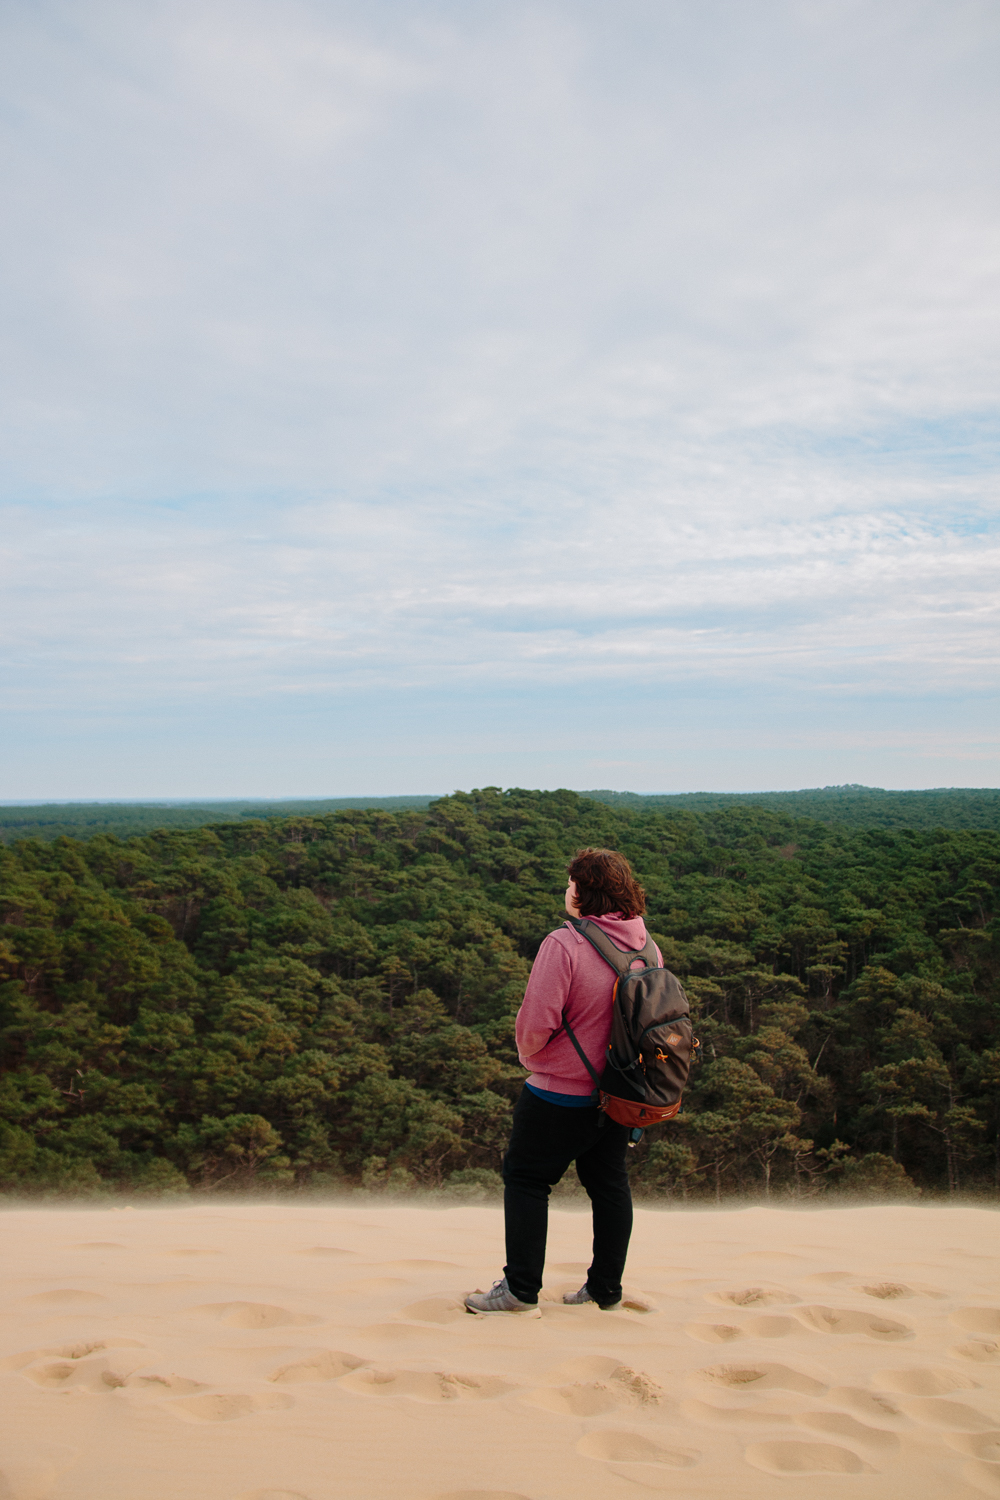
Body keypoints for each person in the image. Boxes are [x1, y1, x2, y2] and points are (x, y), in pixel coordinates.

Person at [465, 847, 660, 1317]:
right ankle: (605, 1290)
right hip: (618, 1095)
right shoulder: (645, 945)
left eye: (570, 882)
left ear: (583, 891)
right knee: (609, 1186)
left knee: (527, 1180)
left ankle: (520, 1292)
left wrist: (533, 1060)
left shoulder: (565, 943)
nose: (565, 890)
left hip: (559, 1094)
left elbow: (536, 1022)